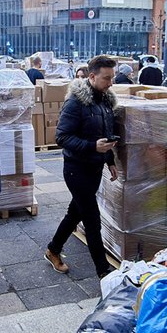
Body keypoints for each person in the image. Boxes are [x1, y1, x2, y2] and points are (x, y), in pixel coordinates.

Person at [45, 55, 118, 278]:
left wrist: (110, 161)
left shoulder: (105, 100)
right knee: (92, 220)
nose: (110, 83)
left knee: (75, 213)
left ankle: (53, 250)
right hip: (76, 169)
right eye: (107, 78)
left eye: (112, 78)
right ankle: (104, 273)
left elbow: (105, 134)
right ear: (92, 76)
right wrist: (91, 146)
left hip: (95, 168)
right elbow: (62, 137)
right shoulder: (75, 102)